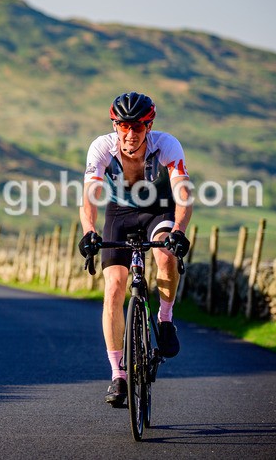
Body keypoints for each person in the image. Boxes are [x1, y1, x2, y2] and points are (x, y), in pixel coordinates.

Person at [78, 92, 192, 407]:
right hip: (120, 213)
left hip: (159, 209)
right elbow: (89, 196)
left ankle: (165, 319)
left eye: (138, 127)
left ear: (149, 125)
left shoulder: (167, 145)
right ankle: (119, 375)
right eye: (123, 126)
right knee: (114, 287)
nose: (130, 134)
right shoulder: (102, 147)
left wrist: (179, 231)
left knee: (166, 255)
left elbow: (183, 193)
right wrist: (89, 231)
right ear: (115, 126)